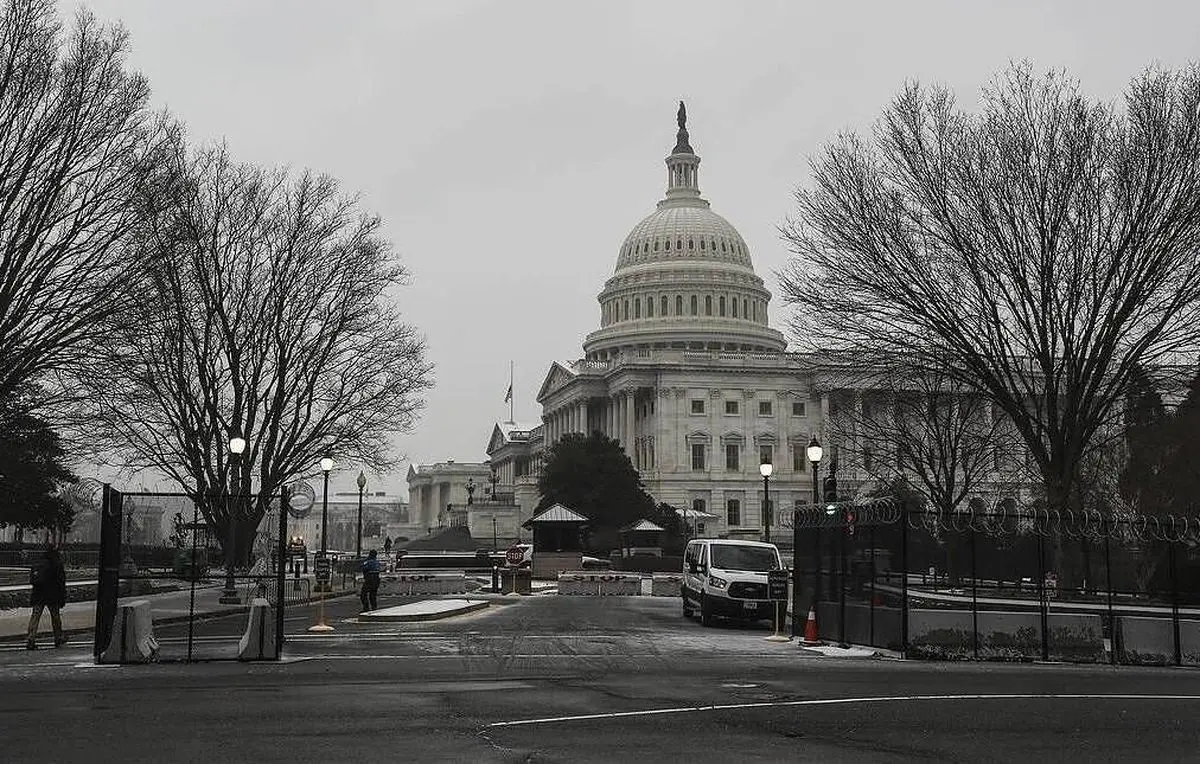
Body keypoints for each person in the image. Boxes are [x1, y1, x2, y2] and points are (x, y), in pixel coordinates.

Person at [27, 546, 67, 650]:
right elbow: (61, 583)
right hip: (52, 595)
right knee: (55, 617)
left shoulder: (38, 564)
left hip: (38, 594)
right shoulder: (57, 565)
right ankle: (58, 637)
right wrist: (62, 598)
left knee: (35, 617)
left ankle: (31, 639)